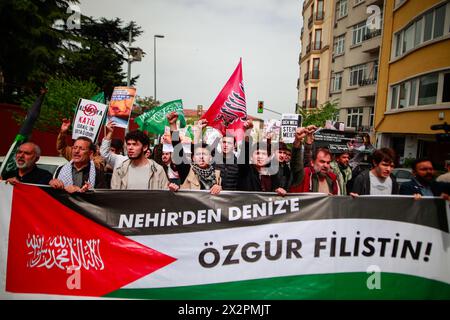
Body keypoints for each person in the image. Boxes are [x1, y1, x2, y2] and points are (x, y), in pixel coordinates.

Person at [167, 113, 222, 194]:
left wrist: (219, 188)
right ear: (193, 158)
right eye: (198, 154)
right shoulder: (187, 171)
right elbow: (177, 148)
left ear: (210, 158)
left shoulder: (217, 175)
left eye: (204, 154)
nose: (201, 157)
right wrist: (172, 124)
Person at [289, 126, 339, 195]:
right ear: (312, 162)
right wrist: (297, 141)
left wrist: (353, 199)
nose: (326, 165)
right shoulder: (305, 175)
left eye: (328, 162)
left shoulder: (332, 179)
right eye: (322, 162)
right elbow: (296, 164)